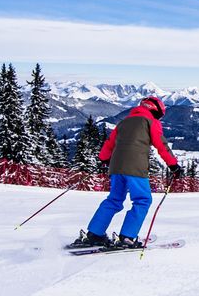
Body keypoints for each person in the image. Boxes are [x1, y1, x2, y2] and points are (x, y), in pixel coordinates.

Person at [70, 95, 179, 250]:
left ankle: (94, 234)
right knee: (142, 200)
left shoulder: (123, 122)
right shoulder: (151, 122)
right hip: (135, 167)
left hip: (115, 167)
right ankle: (127, 237)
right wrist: (173, 165)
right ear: (156, 110)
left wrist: (104, 159)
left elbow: (109, 144)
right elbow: (161, 145)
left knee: (114, 199)